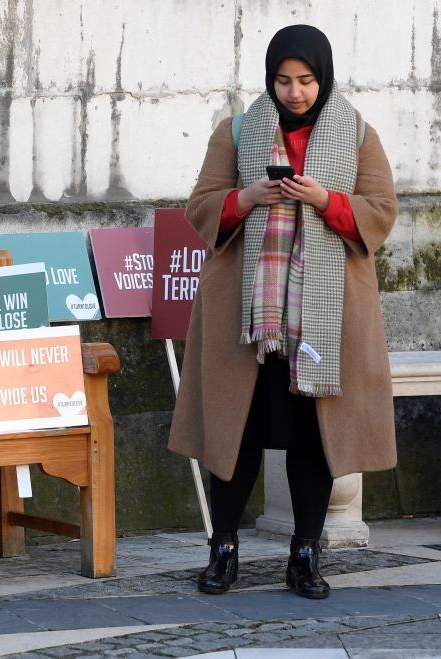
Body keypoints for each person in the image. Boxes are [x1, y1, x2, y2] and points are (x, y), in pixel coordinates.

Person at [169, 24, 398, 600]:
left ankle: (305, 555)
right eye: (283, 80)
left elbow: (383, 210)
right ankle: (223, 551)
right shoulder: (238, 131)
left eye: (306, 80)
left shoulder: (357, 133)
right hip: (247, 321)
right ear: (269, 80)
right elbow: (200, 206)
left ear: (323, 78)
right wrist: (248, 198)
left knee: (312, 439)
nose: (295, 93)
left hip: (322, 319)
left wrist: (323, 200)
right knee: (234, 435)